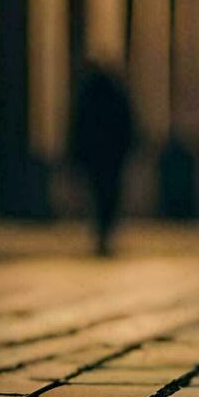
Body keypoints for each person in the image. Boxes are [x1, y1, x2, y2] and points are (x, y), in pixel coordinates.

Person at [70, 65, 134, 256]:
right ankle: (104, 232)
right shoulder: (115, 97)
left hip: (97, 157)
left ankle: (102, 232)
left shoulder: (89, 98)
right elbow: (127, 126)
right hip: (111, 157)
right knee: (109, 194)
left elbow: (78, 127)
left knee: (99, 195)